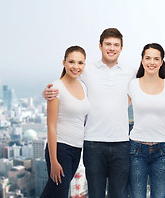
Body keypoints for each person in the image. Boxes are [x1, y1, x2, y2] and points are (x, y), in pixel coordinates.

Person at [43, 28, 135, 198]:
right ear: (100, 46)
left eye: (116, 45)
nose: (112, 48)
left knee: (119, 194)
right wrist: (47, 93)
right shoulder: (87, 70)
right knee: (95, 194)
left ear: (121, 48)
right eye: (108, 44)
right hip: (93, 144)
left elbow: (147, 85)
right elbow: (66, 81)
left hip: (121, 142)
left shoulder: (130, 72)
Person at [41, 46, 90, 198]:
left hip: (77, 149)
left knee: (53, 192)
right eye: (71, 62)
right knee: (59, 193)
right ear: (64, 63)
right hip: (61, 149)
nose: (76, 67)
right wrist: (54, 161)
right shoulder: (56, 88)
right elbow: (51, 126)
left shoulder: (83, 86)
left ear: (84, 65)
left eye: (80, 63)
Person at [128, 43, 165, 198]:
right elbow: (118, 110)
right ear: (142, 60)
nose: (152, 62)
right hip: (136, 149)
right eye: (148, 58)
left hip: (162, 150)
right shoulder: (132, 85)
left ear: (161, 62)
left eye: (156, 58)